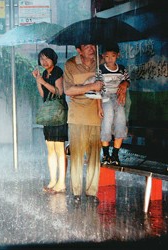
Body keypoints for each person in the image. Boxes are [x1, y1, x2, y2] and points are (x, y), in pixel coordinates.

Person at [63, 44, 104, 204]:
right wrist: (91, 86)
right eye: (87, 46)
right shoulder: (70, 64)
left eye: (92, 46)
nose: (91, 49)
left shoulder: (100, 63)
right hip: (77, 117)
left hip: (95, 116)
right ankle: (76, 193)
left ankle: (92, 193)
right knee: (77, 156)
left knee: (94, 157)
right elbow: (68, 90)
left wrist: (123, 85)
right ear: (79, 50)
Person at [32, 48, 68, 194]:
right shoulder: (45, 74)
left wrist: (43, 82)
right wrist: (38, 80)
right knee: (50, 150)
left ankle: (62, 182)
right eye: (41, 59)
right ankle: (53, 180)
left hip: (58, 114)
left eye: (47, 58)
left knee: (60, 150)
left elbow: (59, 92)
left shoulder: (58, 71)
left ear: (53, 58)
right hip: (49, 115)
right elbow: (43, 95)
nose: (44, 62)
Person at [97, 42, 130, 166]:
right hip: (105, 99)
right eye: (107, 56)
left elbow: (127, 81)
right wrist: (99, 106)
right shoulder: (100, 70)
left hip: (118, 99)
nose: (110, 59)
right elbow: (97, 89)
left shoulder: (121, 69)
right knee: (106, 123)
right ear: (102, 56)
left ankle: (115, 155)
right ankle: (106, 154)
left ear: (118, 55)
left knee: (121, 123)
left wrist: (125, 84)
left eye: (113, 56)